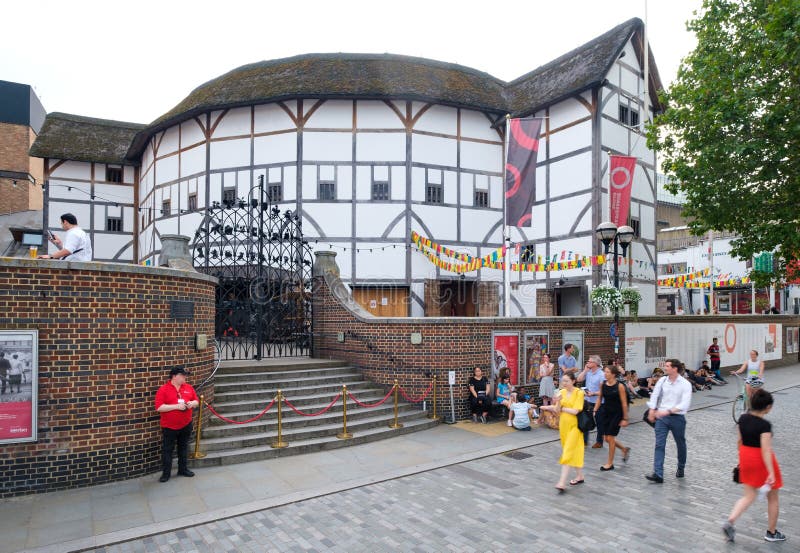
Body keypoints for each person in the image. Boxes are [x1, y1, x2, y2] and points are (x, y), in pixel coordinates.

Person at [722, 389, 785, 543]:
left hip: (745, 457)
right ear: (768, 407)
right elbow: (765, 450)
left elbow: (739, 441)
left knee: (749, 495)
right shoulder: (765, 426)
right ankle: (771, 532)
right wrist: (770, 472)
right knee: (773, 498)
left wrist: (741, 459)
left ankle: (730, 521)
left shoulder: (743, 418)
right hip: (761, 461)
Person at [644, 359, 693, 483]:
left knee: (680, 443)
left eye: (667, 366)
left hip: (678, 418)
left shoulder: (685, 384)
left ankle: (681, 467)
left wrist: (668, 411)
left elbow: (685, 404)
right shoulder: (662, 380)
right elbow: (655, 395)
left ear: (675, 368)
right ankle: (658, 474)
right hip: (662, 418)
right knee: (659, 444)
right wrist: (652, 409)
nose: (665, 368)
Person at [540, 372, 585, 492]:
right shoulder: (562, 393)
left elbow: (576, 411)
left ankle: (562, 482)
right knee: (571, 451)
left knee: (567, 452)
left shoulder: (579, 393)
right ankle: (580, 475)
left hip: (575, 426)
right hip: (564, 426)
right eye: (562, 381)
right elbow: (557, 411)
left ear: (573, 381)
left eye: (566, 381)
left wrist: (562, 408)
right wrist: (558, 402)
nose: (564, 383)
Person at [155, 367, 200, 483]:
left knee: (183, 448)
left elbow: (196, 401)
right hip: (169, 427)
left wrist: (192, 403)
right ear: (174, 376)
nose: (185, 377)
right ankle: (166, 474)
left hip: (186, 424)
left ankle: (183, 469)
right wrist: (176, 406)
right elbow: (159, 407)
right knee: (167, 450)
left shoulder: (189, 388)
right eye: (183, 375)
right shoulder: (163, 389)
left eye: (186, 375)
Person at [594, 365, 630, 471]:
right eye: (604, 372)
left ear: (613, 374)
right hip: (606, 412)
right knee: (607, 439)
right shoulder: (603, 384)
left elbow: (624, 403)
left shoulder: (620, 386)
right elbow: (600, 398)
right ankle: (624, 449)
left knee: (611, 438)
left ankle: (610, 463)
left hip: (617, 414)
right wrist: (595, 410)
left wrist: (625, 418)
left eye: (607, 372)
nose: (605, 374)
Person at [577, 354, 604, 448]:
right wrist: (585, 370)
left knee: (599, 422)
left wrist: (593, 393)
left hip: (598, 401)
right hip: (587, 400)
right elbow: (578, 379)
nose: (587, 362)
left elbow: (603, 391)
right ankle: (584, 441)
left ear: (595, 363)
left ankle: (599, 441)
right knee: (585, 421)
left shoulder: (601, 375)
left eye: (589, 361)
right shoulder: (588, 372)